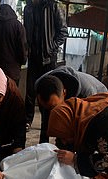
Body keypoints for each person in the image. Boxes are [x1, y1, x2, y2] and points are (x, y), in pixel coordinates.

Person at [23, 0, 68, 131]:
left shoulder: (53, 6)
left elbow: (63, 32)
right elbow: (26, 32)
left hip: (48, 59)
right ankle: (27, 120)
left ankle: (47, 125)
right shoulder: (28, 8)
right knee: (30, 92)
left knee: (48, 92)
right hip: (33, 58)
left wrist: (51, 48)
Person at [35, 66, 107, 143]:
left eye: (53, 107)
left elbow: (84, 128)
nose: (51, 111)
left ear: (64, 93)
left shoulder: (86, 94)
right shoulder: (40, 86)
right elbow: (46, 123)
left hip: (100, 97)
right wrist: (42, 148)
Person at [0, 0, 27, 87]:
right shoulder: (18, 25)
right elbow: (22, 47)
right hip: (14, 70)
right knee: (12, 94)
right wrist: (22, 61)